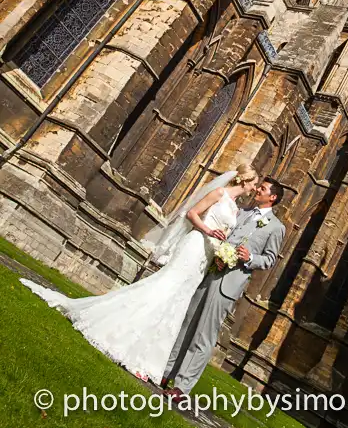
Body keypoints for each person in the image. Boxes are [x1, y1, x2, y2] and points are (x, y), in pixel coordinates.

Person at [20, 165, 259, 384]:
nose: (254, 188)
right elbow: (192, 213)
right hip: (194, 246)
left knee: (178, 301)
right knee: (164, 289)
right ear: (244, 180)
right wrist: (208, 230)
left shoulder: (236, 209)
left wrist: (222, 250)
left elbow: (226, 232)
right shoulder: (218, 193)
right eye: (253, 183)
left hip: (205, 256)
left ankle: (146, 360)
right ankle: (121, 336)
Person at [163, 179, 285, 399]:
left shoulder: (277, 228)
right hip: (213, 270)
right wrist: (220, 253)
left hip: (230, 284)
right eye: (259, 186)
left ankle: (182, 387)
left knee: (204, 334)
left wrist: (250, 258)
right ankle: (167, 371)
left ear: (273, 197)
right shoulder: (244, 212)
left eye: (263, 189)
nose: (258, 189)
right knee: (188, 322)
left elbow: (269, 260)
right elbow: (227, 234)